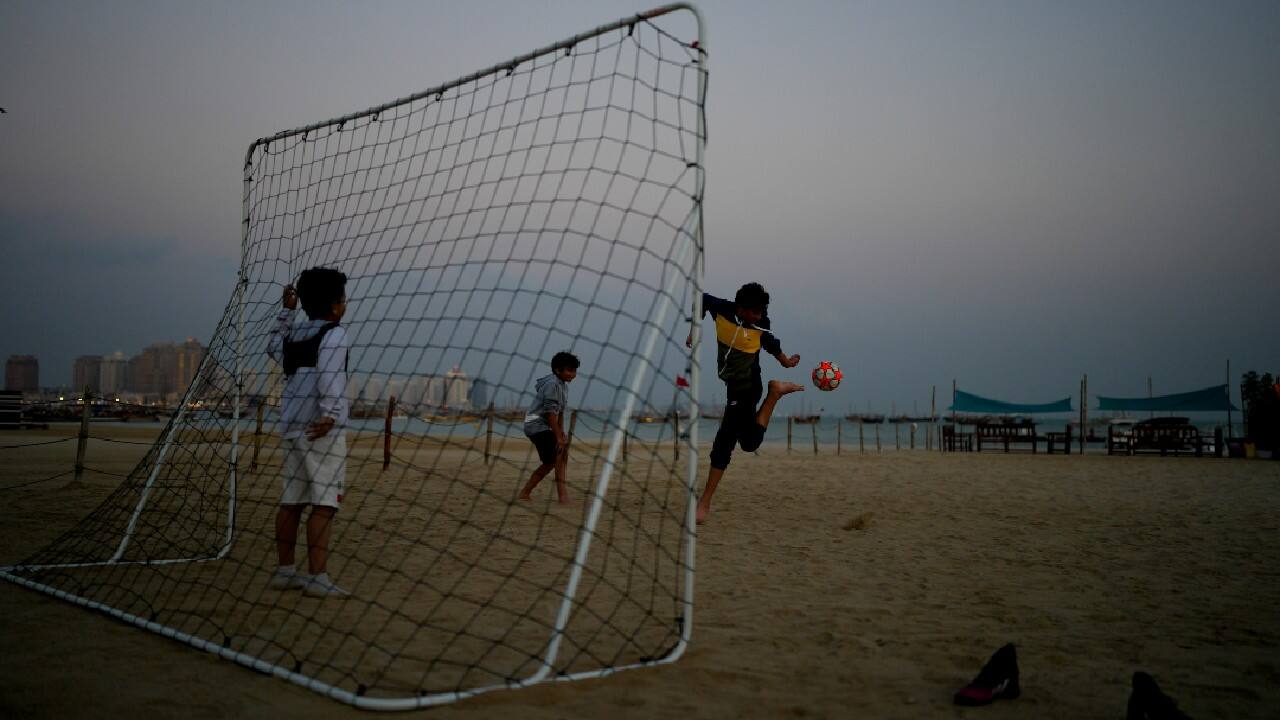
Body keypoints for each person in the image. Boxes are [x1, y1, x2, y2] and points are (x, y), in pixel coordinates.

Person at [266, 267, 351, 597]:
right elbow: (329, 376)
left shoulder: (294, 334)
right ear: (334, 305)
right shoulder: (335, 334)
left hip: (292, 427)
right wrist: (330, 414)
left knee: (292, 501)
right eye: (342, 299)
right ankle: (318, 578)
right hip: (321, 431)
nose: (345, 304)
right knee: (325, 504)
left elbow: (272, 346)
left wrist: (286, 312)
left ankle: (285, 571)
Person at [689, 282, 802, 524]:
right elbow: (700, 299)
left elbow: (772, 344)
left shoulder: (761, 324)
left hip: (749, 388)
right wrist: (693, 331)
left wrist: (786, 362)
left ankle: (704, 502)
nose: (759, 316)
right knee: (750, 443)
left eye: (762, 312)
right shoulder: (721, 309)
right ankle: (775, 393)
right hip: (733, 389)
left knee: (724, 443)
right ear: (740, 308)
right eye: (755, 312)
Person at [518, 351, 580, 505]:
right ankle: (558, 497)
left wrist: (561, 432)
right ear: (558, 370)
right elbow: (550, 413)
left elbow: (559, 413)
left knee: (560, 456)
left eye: (575, 371)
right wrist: (557, 436)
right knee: (554, 459)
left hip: (545, 426)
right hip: (536, 426)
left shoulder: (563, 386)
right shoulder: (552, 384)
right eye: (569, 370)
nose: (573, 374)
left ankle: (530, 493)